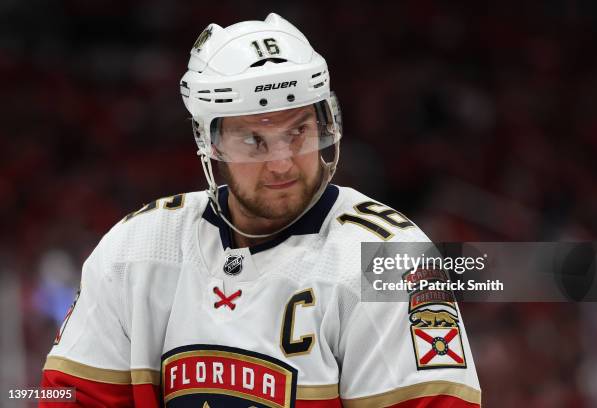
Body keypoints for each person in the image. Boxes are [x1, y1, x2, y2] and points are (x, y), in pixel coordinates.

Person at [41, 13, 481, 407]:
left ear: (326, 123)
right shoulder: (135, 249)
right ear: (210, 143)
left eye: (299, 132)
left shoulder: (388, 256)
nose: (282, 162)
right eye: (254, 140)